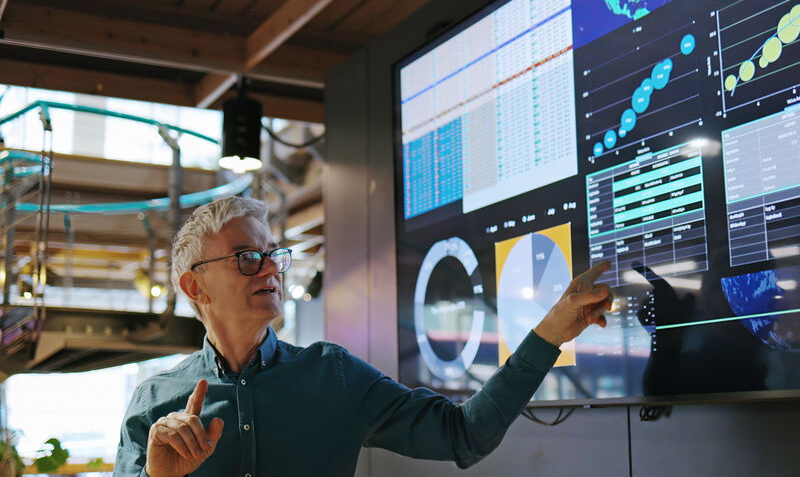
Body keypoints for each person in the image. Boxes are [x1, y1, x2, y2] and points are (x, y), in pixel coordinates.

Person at [114, 196, 612, 477]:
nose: (270, 269)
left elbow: (465, 435)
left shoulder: (331, 375)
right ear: (194, 285)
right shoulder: (155, 404)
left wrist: (551, 333)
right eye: (247, 257)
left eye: (274, 255)